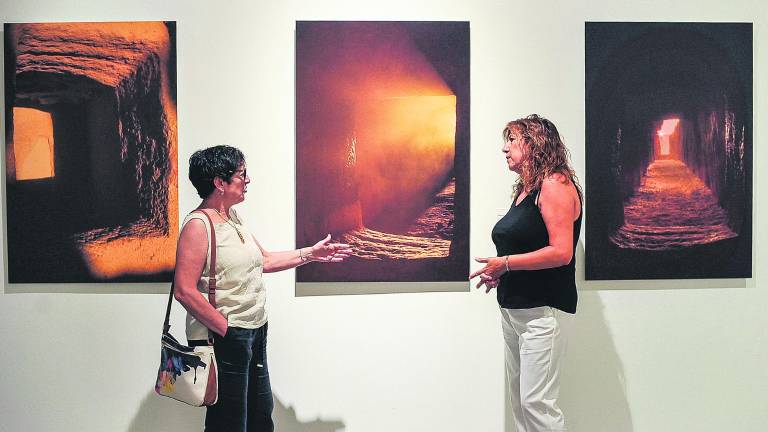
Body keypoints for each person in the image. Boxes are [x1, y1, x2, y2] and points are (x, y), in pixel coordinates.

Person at [173, 145, 352, 432]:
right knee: (228, 423)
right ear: (220, 182)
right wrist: (226, 328)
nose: (248, 180)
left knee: (259, 416)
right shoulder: (199, 225)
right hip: (226, 337)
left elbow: (264, 260)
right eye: (242, 174)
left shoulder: (232, 219)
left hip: (255, 331)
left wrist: (310, 254)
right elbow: (184, 290)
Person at [470, 114, 582, 432]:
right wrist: (501, 272)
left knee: (537, 404)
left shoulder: (555, 185)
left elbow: (561, 252)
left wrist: (504, 264)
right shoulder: (526, 189)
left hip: (542, 313)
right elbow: (527, 246)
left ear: (535, 144)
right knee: (522, 403)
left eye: (512, 140)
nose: (505, 148)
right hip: (515, 310)